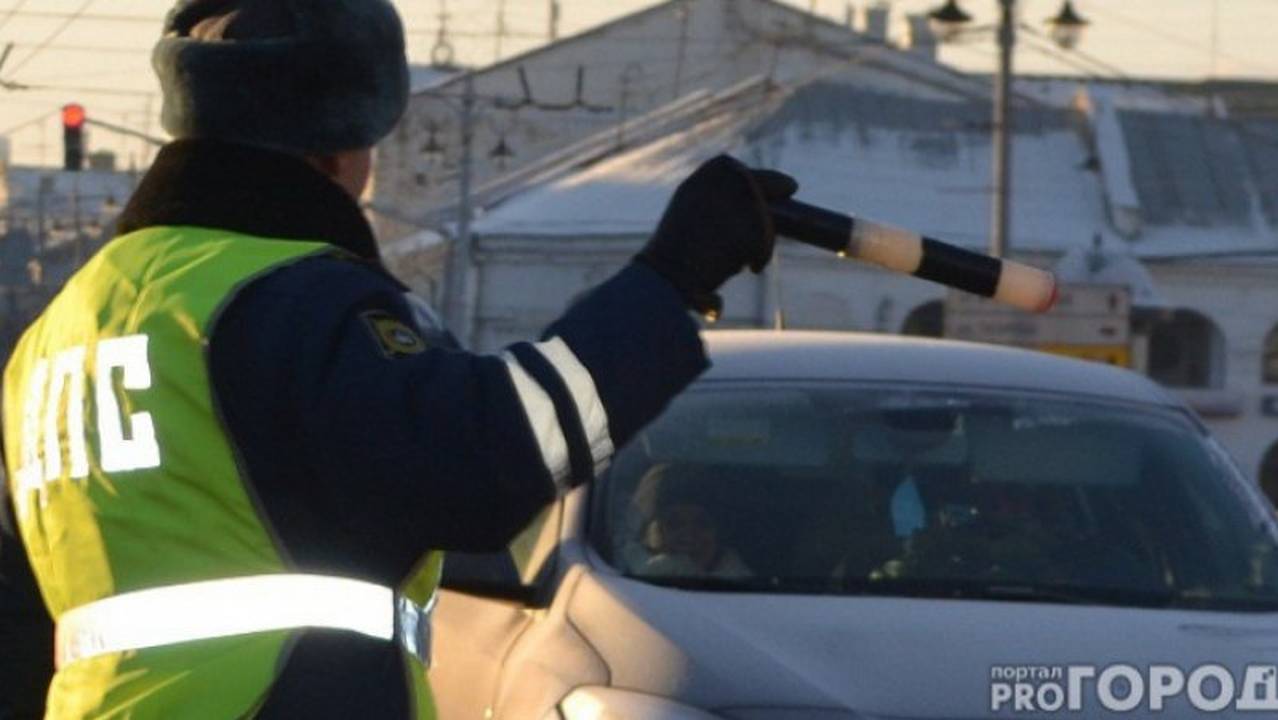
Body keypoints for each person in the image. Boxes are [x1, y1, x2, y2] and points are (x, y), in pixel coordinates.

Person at [0, 0, 799, 717]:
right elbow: (482, 463)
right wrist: (672, 279)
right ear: (334, 151)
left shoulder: (59, 332)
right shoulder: (292, 297)